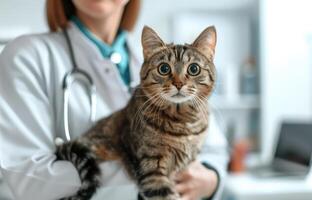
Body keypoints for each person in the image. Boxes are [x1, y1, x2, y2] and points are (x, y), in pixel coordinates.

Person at [0, 0, 228, 199]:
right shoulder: (26, 56)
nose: (178, 80)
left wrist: (211, 179)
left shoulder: (154, 54)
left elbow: (216, 152)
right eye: (167, 70)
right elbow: (25, 181)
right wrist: (152, 171)